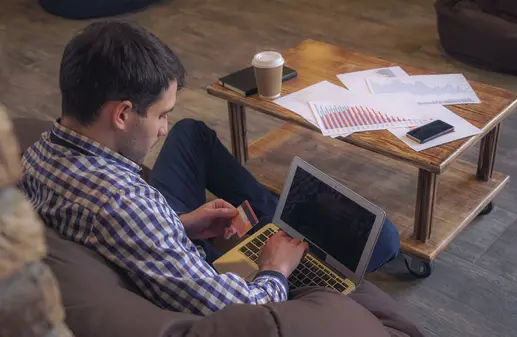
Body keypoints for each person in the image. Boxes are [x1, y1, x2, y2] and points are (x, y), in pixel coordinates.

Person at [18, 20, 400, 316]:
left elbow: (117, 233)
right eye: (160, 115)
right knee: (384, 240)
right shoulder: (123, 203)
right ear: (122, 114)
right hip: (218, 287)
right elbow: (240, 313)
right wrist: (275, 269)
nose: (163, 128)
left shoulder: (36, 156)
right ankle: (283, 229)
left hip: (148, 241)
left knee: (191, 133)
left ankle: (278, 224)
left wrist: (179, 223)